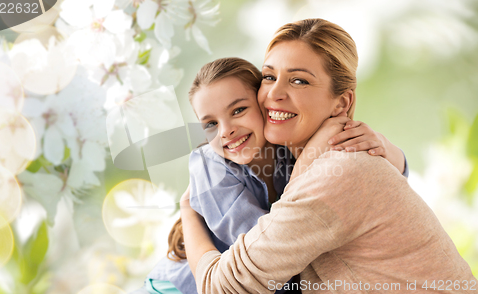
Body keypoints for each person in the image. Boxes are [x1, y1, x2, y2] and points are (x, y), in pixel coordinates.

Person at [180, 19, 477, 293]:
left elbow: (222, 287)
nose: (274, 94)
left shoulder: (339, 171)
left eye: (299, 81)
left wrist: (188, 213)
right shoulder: (312, 159)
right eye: (269, 77)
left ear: (341, 103)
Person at [142, 56, 409, 294]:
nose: (225, 131)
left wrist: (385, 148)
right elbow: (268, 255)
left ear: (264, 106)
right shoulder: (209, 167)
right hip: (177, 286)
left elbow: (379, 184)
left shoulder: (289, 147)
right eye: (210, 124)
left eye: (238, 110)